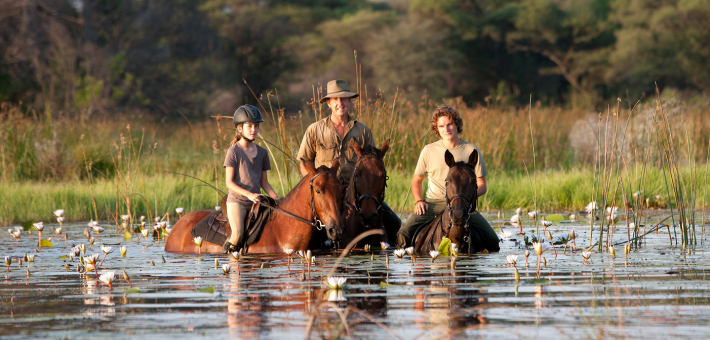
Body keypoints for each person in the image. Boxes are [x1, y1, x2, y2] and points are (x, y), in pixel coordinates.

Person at [297, 79, 401, 241]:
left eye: (344, 99)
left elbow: (372, 165)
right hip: (326, 194)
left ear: (350, 101)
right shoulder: (314, 130)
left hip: (357, 194)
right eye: (335, 100)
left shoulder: (363, 130)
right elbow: (304, 163)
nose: (340, 103)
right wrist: (315, 185)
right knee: (307, 233)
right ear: (329, 103)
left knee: (395, 223)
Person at [396, 104, 499, 252]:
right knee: (403, 234)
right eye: (442, 126)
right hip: (433, 204)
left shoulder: (472, 150)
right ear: (436, 129)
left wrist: (465, 200)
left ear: (456, 124)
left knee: (493, 240)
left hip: (463, 207)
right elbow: (416, 181)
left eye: (450, 124)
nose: (446, 129)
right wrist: (419, 201)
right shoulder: (428, 150)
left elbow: (482, 185)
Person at [223, 104, 279, 253]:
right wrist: (249, 194)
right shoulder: (233, 151)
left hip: (257, 202)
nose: (254, 130)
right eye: (249, 126)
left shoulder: (263, 153)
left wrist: (278, 199)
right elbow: (229, 183)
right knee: (238, 234)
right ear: (240, 128)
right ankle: (229, 260)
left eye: (256, 126)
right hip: (238, 202)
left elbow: (264, 183)